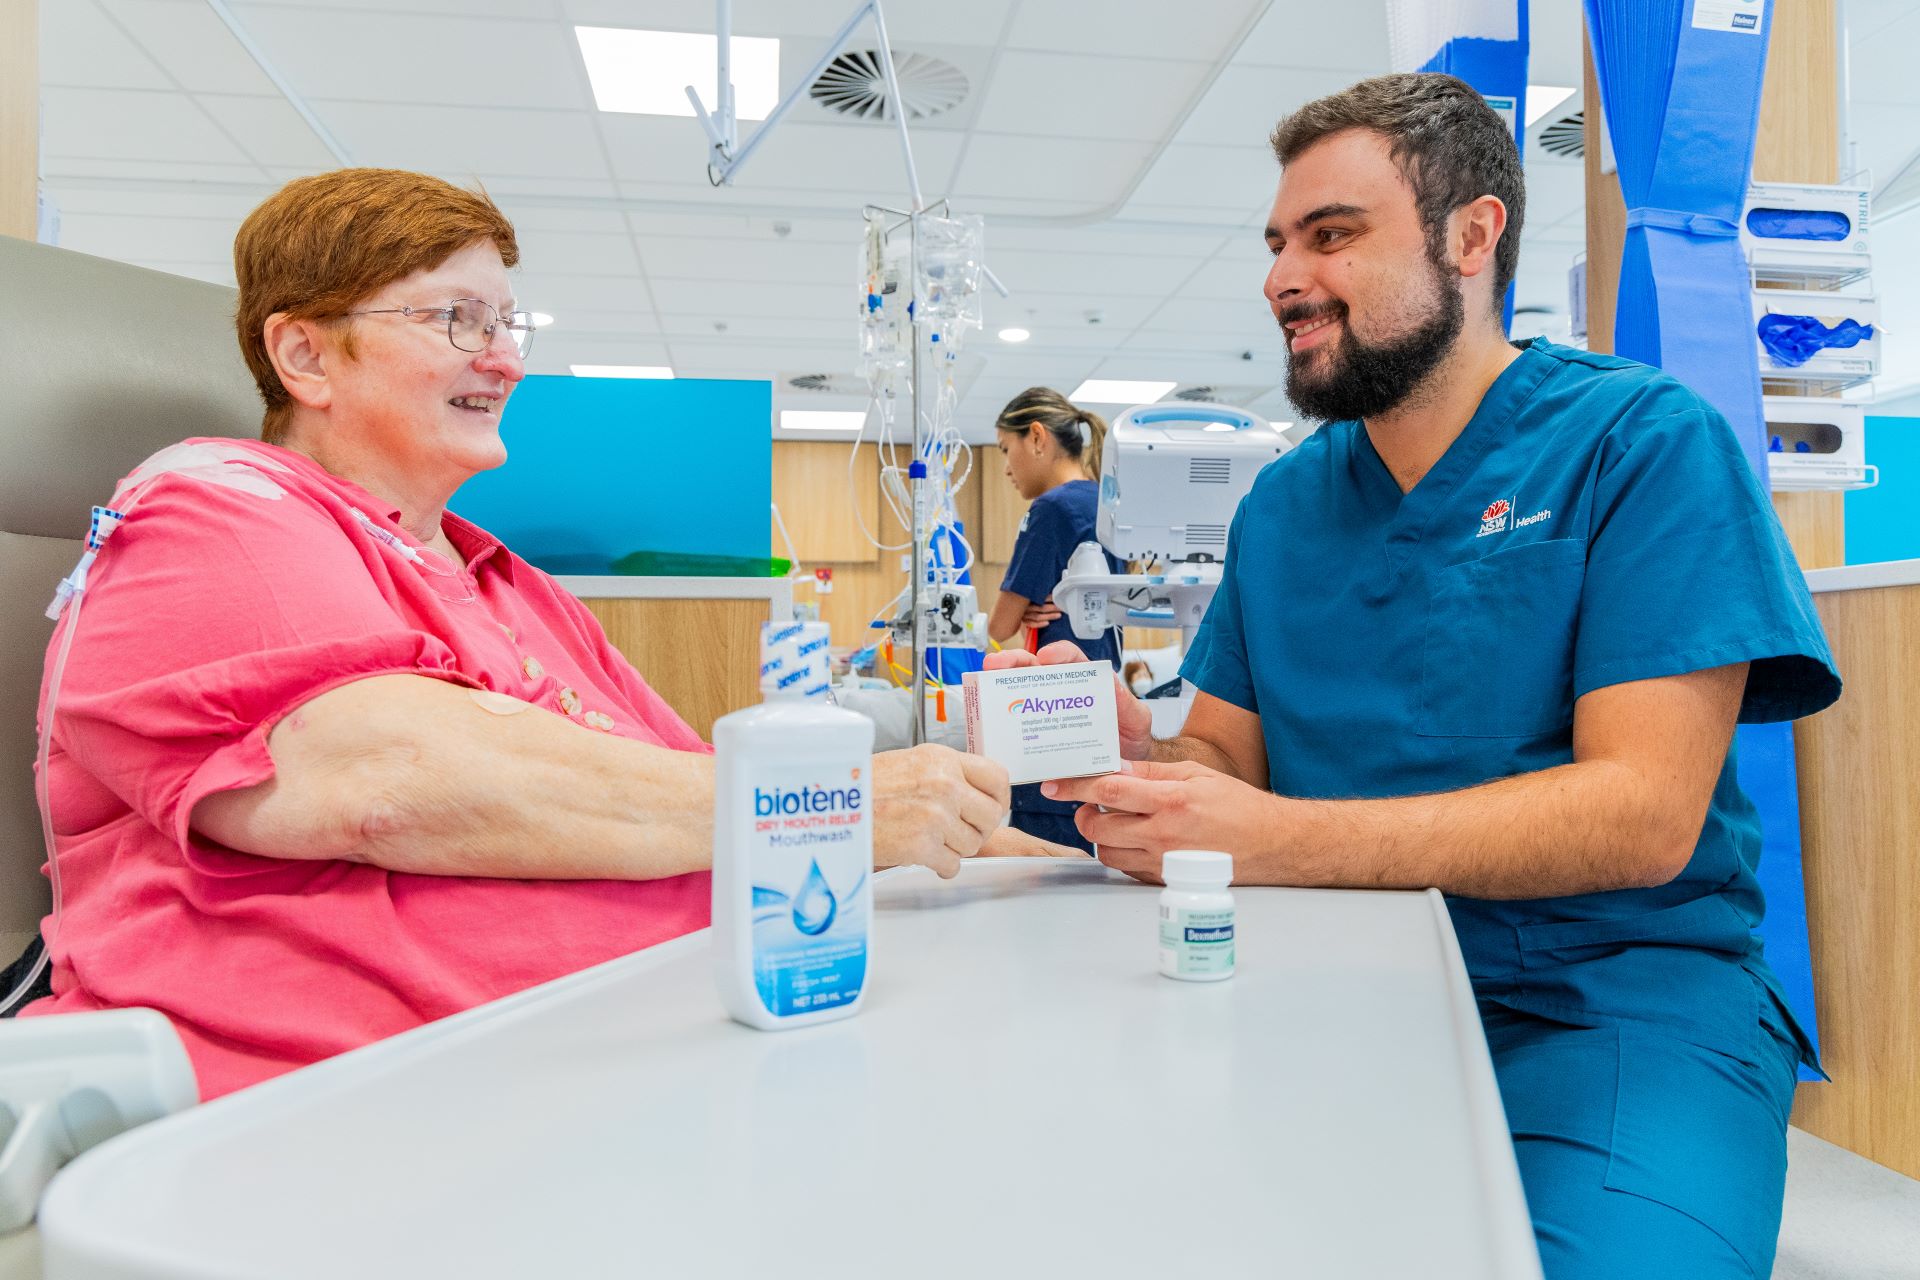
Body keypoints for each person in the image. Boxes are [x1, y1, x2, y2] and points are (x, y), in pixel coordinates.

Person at [990, 74, 1838, 1280]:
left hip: (1615, 998)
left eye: (1332, 235)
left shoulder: (1639, 445)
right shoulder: (1286, 505)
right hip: (1339, 978)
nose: (1284, 275)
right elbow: (1229, 763)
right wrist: (1139, 751)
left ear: (1473, 236)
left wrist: (1277, 837)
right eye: (1278, 243)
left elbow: (1643, 814)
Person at [19, 168, 1024, 1100]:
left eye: (508, 322)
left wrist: (1051, 840)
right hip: (343, 1117)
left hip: (649, 1062)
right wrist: (837, 804)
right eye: (459, 319)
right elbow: (383, 779)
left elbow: (682, 793)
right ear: (305, 353)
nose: (504, 358)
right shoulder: (208, 506)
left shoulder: (513, 585)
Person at [986, 387, 1125, 852]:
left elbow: (1000, 625)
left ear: (1038, 437)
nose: (1006, 467)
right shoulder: (1107, 507)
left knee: (1045, 865)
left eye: (1008, 449)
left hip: (1050, 709)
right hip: (1100, 700)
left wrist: (1025, 606)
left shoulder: (1050, 510)